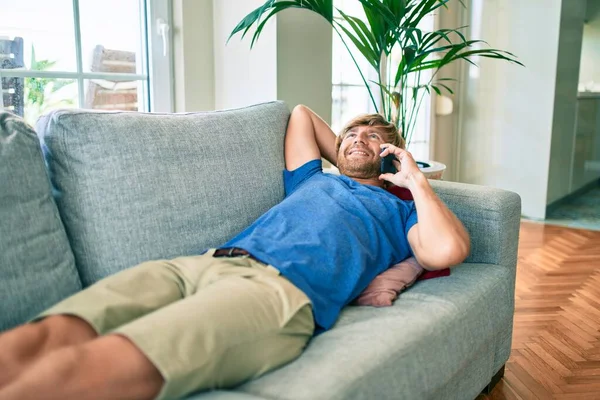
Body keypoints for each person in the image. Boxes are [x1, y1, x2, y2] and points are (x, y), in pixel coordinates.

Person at [0, 105, 470, 400]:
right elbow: (302, 114)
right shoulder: (312, 180)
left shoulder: (397, 211)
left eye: (373, 137)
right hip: (202, 264)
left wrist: (410, 176)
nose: (356, 139)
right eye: (350, 134)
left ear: (392, 154)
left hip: (276, 296)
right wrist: (353, 147)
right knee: (40, 340)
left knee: (83, 367)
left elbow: (447, 248)